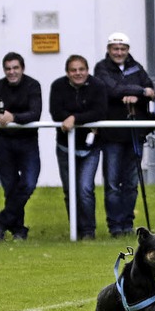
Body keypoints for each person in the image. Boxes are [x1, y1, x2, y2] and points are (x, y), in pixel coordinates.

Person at [94, 32, 155, 238]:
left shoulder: (137, 67)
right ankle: (115, 226)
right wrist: (139, 91)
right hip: (112, 135)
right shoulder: (101, 68)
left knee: (131, 183)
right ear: (109, 49)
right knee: (112, 183)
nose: (119, 52)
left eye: (122, 48)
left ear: (127, 50)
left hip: (134, 133)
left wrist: (135, 92)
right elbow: (111, 90)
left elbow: (152, 90)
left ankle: (127, 224)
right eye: (115, 48)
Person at [0, 52, 42, 241]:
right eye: (8, 69)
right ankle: (18, 230)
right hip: (4, 143)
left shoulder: (32, 85)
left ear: (22, 68)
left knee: (28, 183)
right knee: (11, 188)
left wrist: (13, 118)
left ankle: (1, 220)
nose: (12, 72)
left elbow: (34, 113)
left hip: (28, 142)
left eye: (15, 68)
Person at [49, 55, 108, 240]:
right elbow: (56, 112)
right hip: (65, 147)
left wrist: (75, 119)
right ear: (67, 73)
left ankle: (88, 231)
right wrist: (82, 117)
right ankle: (76, 229)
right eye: (73, 70)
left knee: (84, 189)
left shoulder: (98, 86)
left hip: (90, 148)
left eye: (81, 69)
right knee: (70, 190)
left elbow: (100, 111)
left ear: (87, 70)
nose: (78, 73)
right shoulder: (58, 86)